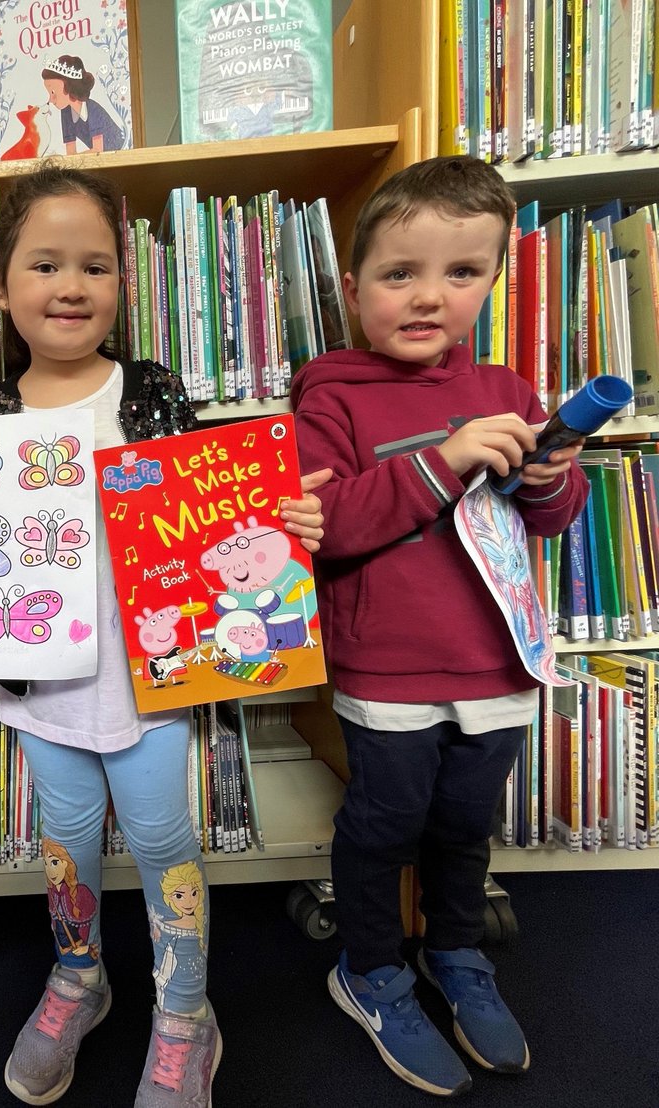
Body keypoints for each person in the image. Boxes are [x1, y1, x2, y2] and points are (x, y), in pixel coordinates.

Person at [0, 162, 329, 1107]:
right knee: (68, 843)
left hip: (151, 686)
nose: (71, 286)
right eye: (45, 265)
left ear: (120, 285)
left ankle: (185, 1013)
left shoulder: (156, 393)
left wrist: (280, 525)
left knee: (167, 840)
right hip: (43, 693)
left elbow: (217, 521)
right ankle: (78, 978)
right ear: (1, 287)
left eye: (95, 266)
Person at [290, 156, 590, 1097]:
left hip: (497, 661)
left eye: (462, 273)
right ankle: (371, 968)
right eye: (399, 274)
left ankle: (455, 953)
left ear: (496, 278)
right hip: (385, 669)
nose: (429, 298)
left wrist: (551, 479)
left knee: (464, 825)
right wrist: (448, 456)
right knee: (383, 825)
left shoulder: (509, 385)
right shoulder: (329, 393)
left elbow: (549, 519)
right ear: (352, 286)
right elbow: (327, 530)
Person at [40, 55, 124, 154]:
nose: (50, 100)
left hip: (120, 153)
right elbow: (71, 153)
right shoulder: (66, 112)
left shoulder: (93, 110)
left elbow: (98, 150)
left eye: (53, 92)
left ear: (69, 86)